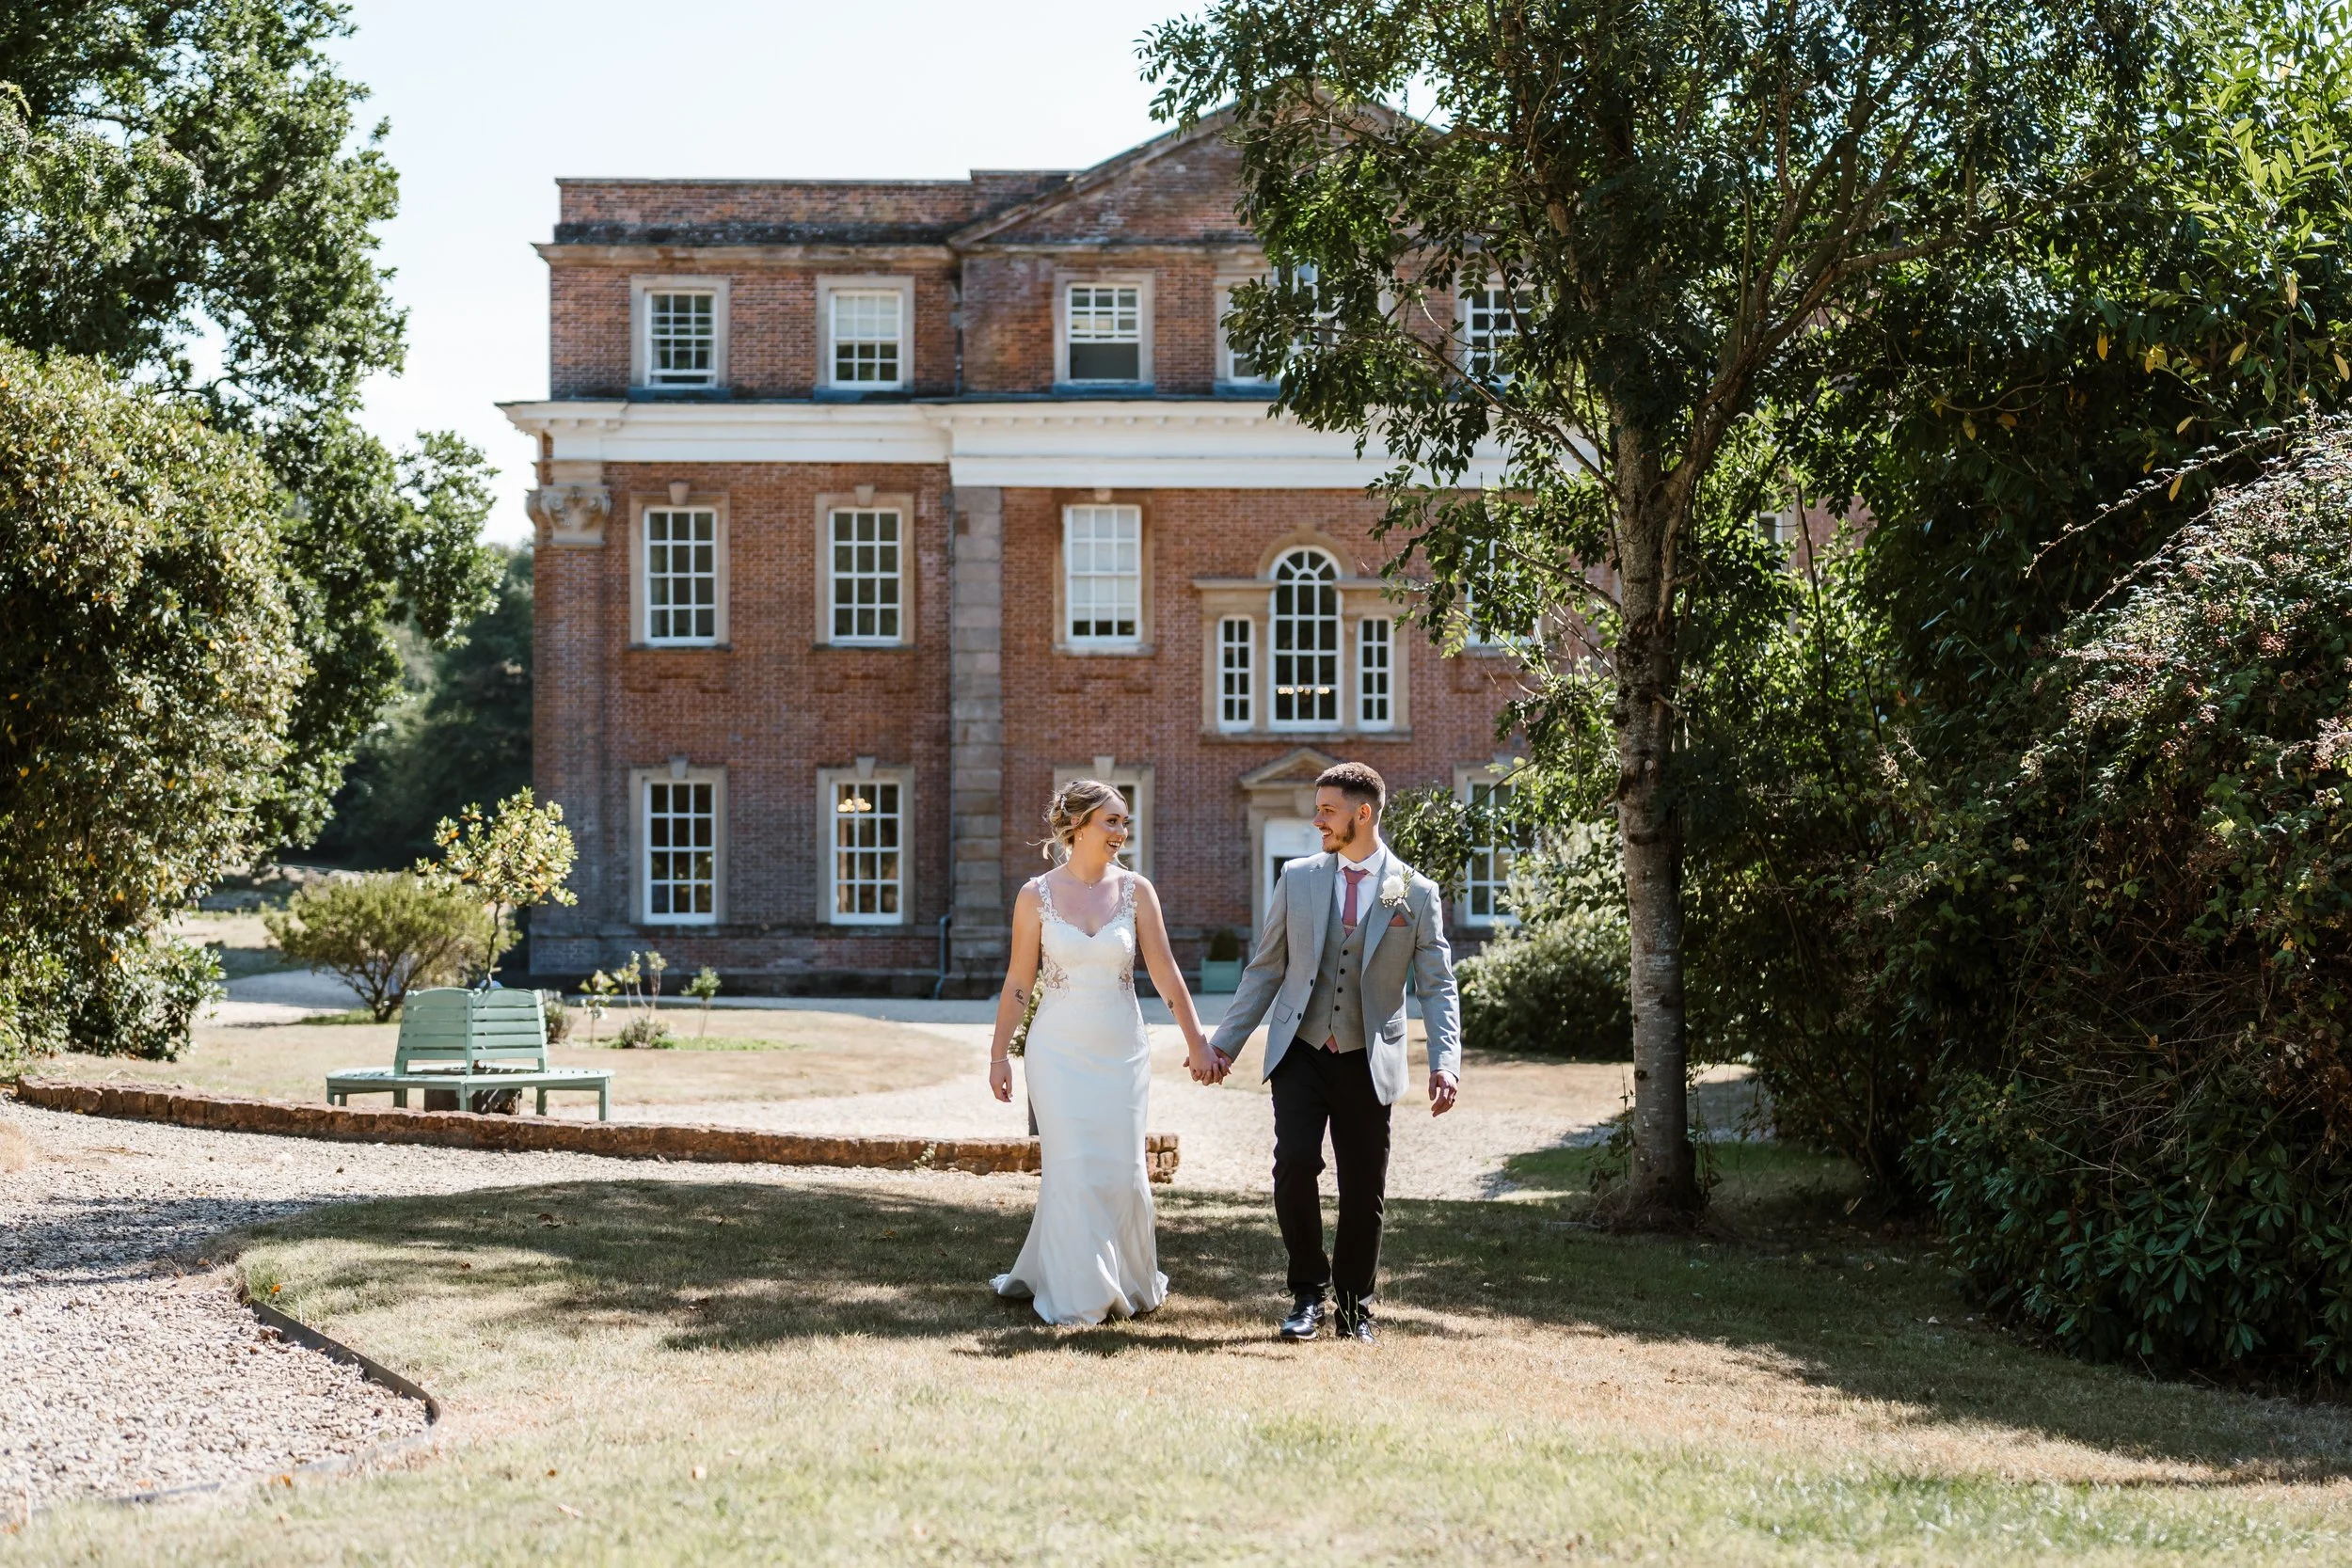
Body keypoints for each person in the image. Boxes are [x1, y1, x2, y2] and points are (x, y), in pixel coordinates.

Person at [1203, 762, 1461, 1343]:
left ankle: (1354, 1307)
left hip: (1369, 1055)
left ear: (1362, 813)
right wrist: (1224, 1044)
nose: (1316, 819)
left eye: (1327, 810)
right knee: (1294, 1165)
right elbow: (1266, 969)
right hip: (1301, 1048)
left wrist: (1445, 1062)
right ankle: (1306, 1294)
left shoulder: (1414, 893)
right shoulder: (1298, 878)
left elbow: (1438, 985)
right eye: (1317, 809)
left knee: (1363, 1185)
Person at [988, 779, 1221, 1324]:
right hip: (1057, 1052)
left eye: (1123, 822)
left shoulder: (1138, 891)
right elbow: (1020, 981)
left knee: (1120, 1170)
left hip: (1122, 1051)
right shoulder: (1034, 896)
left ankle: (1128, 1278)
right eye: (1110, 821)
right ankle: (1079, 1294)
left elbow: (1165, 971)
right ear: (1076, 826)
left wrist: (1197, 1041)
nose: (1121, 832)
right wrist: (999, 1054)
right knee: (1070, 1167)